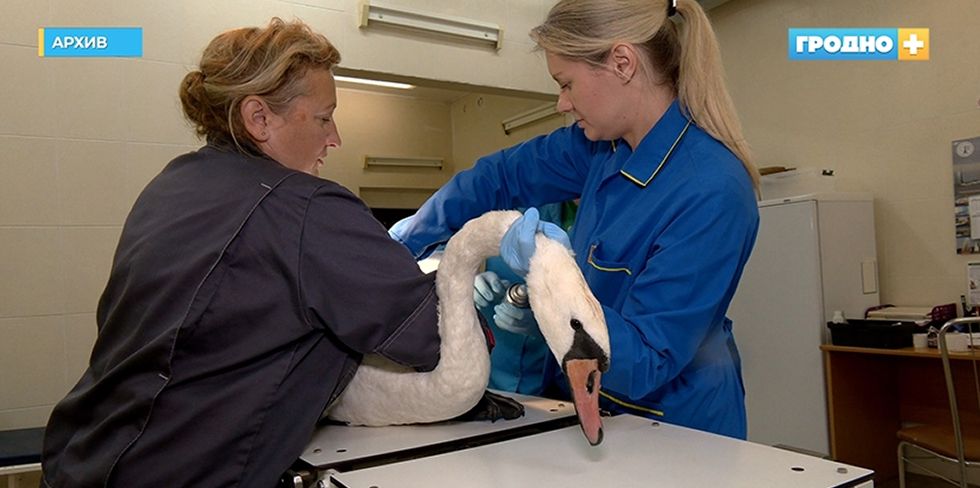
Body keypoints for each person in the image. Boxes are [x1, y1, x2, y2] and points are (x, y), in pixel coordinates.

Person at [41, 18, 442, 488]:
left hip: (82, 460)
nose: (334, 137)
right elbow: (434, 335)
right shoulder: (307, 208)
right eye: (323, 117)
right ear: (259, 118)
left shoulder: (171, 185)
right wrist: (479, 286)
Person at [390, 0, 760, 439]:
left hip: (675, 427)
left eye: (567, 84)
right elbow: (498, 177)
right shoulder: (601, 149)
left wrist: (553, 286)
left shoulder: (711, 189)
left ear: (622, 63)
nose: (562, 103)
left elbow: (648, 357)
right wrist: (398, 247)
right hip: (588, 405)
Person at [473, 201, 577, 395]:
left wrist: (554, 327)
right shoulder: (509, 201)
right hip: (486, 381)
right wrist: (465, 280)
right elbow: (438, 260)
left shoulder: (611, 225)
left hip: (561, 392)